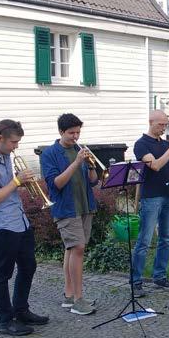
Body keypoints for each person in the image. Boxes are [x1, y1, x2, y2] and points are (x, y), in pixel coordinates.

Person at [0, 120, 49, 335]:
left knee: (29, 266)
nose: (16, 147)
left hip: (19, 220)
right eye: (13, 142)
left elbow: (8, 188)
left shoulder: (6, 156)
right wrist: (17, 182)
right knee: (2, 273)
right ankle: (5, 320)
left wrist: (25, 183)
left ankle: (21, 310)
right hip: (1, 225)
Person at [40, 113, 98, 315]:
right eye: (71, 133)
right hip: (66, 207)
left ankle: (69, 295)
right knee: (78, 248)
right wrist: (76, 163)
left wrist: (90, 166)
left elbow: (93, 181)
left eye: (78, 132)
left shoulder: (79, 149)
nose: (75, 136)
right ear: (60, 132)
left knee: (72, 249)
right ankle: (78, 300)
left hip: (84, 205)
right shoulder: (49, 154)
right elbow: (56, 184)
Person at [131, 110, 169, 297]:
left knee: (167, 238)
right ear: (151, 122)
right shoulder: (141, 144)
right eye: (160, 124)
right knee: (144, 241)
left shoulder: (165, 143)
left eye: (165, 125)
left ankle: (159, 276)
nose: (163, 128)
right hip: (151, 196)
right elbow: (155, 165)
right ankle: (136, 281)